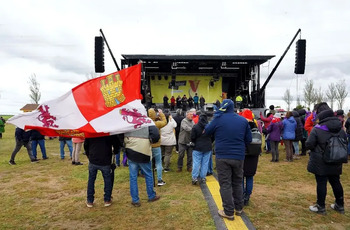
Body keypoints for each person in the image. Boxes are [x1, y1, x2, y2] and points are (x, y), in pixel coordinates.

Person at [205, 99, 252, 221]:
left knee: (225, 184)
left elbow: (207, 131)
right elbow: (249, 139)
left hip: (223, 156)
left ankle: (228, 211)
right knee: (237, 182)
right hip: (238, 156)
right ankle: (239, 208)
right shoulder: (242, 120)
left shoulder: (218, 119)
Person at [306, 108, 346, 214]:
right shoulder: (341, 129)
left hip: (321, 161)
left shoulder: (317, 129)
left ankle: (321, 206)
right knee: (336, 181)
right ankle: (340, 204)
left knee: (321, 183)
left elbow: (309, 144)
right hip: (336, 159)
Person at [124, 126, 160, 207]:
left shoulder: (127, 120)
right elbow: (156, 134)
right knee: (148, 174)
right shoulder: (146, 121)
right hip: (144, 151)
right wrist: (150, 140)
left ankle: (135, 200)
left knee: (133, 177)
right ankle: (151, 195)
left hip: (131, 151)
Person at [84, 135, 120, 208]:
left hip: (93, 158)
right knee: (107, 180)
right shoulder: (108, 131)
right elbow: (116, 143)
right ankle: (107, 199)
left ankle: (90, 200)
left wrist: (88, 154)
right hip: (105, 159)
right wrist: (115, 151)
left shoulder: (91, 130)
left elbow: (86, 144)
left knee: (91, 180)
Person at [240, 109, 260, 206]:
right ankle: (247, 196)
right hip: (254, 155)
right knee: (250, 176)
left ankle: (242, 195)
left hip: (244, 155)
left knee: (241, 177)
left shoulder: (242, 127)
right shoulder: (256, 127)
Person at [190, 113, 212, 185]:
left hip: (197, 147)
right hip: (207, 146)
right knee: (205, 163)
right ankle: (203, 177)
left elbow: (192, 137)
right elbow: (213, 136)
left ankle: (194, 177)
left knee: (196, 162)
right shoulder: (209, 127)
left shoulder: (195, 127)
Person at [148, 108, 167, 186]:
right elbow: (165, 122)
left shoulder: (146, 123)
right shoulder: (157, 124)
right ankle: (159, 180)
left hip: (148, 146)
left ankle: (150, 180)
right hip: (156, 146)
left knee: (149, 163)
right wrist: (161, 114)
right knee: (158, 163)